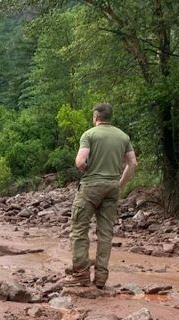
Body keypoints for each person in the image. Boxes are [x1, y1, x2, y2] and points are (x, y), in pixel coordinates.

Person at [66, 103, 138, 288]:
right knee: (105, 233)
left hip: (91, 186)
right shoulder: (123, 136)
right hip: (112, 186)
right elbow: (133, 164)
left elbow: (80, 162)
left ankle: (81, 274)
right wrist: (120, 184)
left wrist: (86, 167)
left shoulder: (89, 135)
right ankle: (100, 278)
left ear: (96, 117)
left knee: (79, 230)